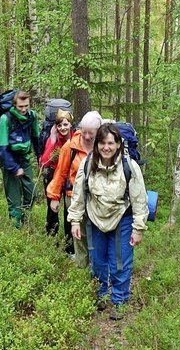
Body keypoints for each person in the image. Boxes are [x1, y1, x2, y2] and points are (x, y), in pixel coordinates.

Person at [68, 123, 148, 320]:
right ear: (96, 144)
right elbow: (78, 195)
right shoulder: (88, 164)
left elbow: (139, 199)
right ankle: (100, 295)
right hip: (95, 219)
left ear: (119, 144)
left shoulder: (130, 167)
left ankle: (120, 301)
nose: (106, 147)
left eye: (111, 143)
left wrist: (138, 229)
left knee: (120, 262)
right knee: (97, 261)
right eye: (102, 143)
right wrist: (75, 221)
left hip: (122, 218)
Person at [46, 111, 102, 264]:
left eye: (92, 133)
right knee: (78, 233)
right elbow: (60, 174)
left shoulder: (104, 146)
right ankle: (81, 264)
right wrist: (54, 197)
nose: (88, 136)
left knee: (97, 232)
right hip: (74, 196)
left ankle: (96, 265)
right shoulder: (70, 147)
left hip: (98, 198)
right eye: (84, 132)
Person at [0, 90, 40, 228]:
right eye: (20, 106)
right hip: (10, 162)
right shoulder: (5, 119)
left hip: (25, 160)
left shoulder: (32, 116)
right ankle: (16, 229)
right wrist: (15, 168)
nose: (24, 109)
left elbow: (36, 138)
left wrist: (40, 158)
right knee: (14, 201)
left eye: (26, 105)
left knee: (32, 193)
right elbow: (2, 149)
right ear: (14, 105)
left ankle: (25, 218)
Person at [39, 109, 74, 237]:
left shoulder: (75, 138)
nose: (63, 128)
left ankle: (69, 244)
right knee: (52, 208)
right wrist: (53, 140)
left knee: (69, 209)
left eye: (65, 124)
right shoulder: (53, 138)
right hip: (53, 175)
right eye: (59, 125)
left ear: (70, 124)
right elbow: (44, 161)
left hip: (70, 176)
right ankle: (51, 238)